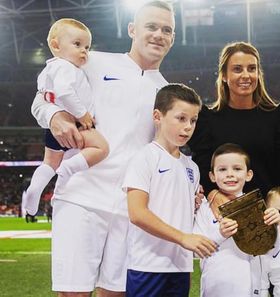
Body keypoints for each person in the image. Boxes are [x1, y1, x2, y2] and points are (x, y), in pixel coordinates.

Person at [30, 1, 176, 296]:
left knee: (117, 293)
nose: (159, 34)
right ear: (132, 30)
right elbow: (41, 99)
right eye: (151, 26)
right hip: (80, 195)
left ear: (172, 38)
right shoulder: (91, 61)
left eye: (167, 30)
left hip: (131, 208)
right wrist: (55, 115)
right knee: (73, 293)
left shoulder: (169, 92)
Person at [188, 41, 280, 241]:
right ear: (224, 77)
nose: (246, 75)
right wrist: (214, 196)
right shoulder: (206, 120)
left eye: (251, 68)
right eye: (237, 69)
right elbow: (202, 166)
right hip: (225, 219)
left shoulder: (279, 117)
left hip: (271, 219)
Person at [122, 84, 217, 297]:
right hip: (148, 265)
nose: (188, 127)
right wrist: (183, 238)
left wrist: (192, 206)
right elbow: (137, 213)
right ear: (158, 116)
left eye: (193, 121)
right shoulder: (145, 157)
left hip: (180, 266)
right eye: (181, 118)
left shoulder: (191, 167)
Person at [25, 18, 109, 216]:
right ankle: (67, 170)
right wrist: (83, 114)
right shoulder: (66, 67)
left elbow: (46, 94)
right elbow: (64, 93)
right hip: (74, 124)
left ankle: (34, 191)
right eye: (77, 44)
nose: (84, 51)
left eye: (87, 47)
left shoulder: (50, 68)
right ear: (55, 45)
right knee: (101, 148)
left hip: (53, 128)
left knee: (49, 163)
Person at [193, 143, 280, 297]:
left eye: (237, 168)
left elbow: (272, 249)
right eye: (222, 169)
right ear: (212, 176)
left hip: (254, 289)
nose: (230, 174)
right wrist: (220, 234)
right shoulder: (205, 209)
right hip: (217, 289)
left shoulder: (259, 207)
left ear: (249, 174)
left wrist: (276, 227)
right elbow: (196, 251)